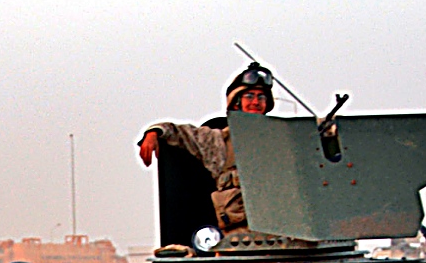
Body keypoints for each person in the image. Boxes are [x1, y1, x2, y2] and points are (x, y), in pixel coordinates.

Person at [138, 65, 346, 235]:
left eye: (261, 97)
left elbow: (320, 133)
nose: (256, 102)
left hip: (285, 228)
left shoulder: (283, 136)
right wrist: (153, 133)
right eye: (250, 96)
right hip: (239, 233)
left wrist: (334, 129)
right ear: (237, 103)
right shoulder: (218, 140)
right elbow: (180, 132)